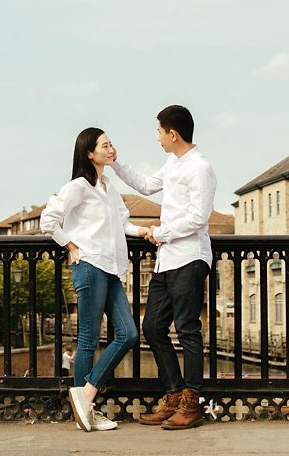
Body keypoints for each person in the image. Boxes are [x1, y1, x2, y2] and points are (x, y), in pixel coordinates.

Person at [111, 105, 217, 431]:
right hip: (167, 259)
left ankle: (192, 402)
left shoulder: (200, 168)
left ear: (173, 133)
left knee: (187, 329)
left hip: (189, 257)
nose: (157, 137)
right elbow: (144, 185)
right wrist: (114, 162)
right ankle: (173, 396)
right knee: (153, 327)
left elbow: (198, 218)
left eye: (159, 131)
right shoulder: (173, 163)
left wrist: (161, 232)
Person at [40, 127, 150, 433]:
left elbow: (123, 223)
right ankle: (85, 412)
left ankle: (85, 396)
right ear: (90, 152)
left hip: (112, 268)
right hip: (88, 265)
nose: (111, 148)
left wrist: (147, 232)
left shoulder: (108, 186)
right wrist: (71, 245)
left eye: (112, 143)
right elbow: (48, 220)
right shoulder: (78, 186)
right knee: (88, 339)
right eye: (105, 144)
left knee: (128, 333)